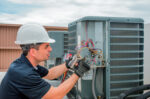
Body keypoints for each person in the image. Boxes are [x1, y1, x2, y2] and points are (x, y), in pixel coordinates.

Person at [0, 23, 90, 99]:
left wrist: (68, 64)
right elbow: (56, 95)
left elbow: (50, 74)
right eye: (46, 46)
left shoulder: (24, 64)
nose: (50, 49)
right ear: (33, 52)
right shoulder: (23, 73)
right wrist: (79, 73)